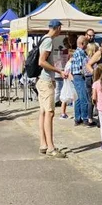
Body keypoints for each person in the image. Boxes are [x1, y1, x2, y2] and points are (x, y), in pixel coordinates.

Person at [36, 19, 67, 157]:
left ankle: (43, 144)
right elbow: (42, 61)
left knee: (43, 112)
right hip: (46, 80)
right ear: (58, 28)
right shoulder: (48, 41)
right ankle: (50, 147)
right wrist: (58, 71)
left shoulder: (43, 38)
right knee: (50, 113)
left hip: (41, 80)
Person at [69, 35, 90, 126]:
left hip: (75, 76)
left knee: (77, 98)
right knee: (83, 98)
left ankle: (77, 118)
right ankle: (85, 118)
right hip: (80, 76)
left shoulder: (76, 52)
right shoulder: (81, 53)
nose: (87, 45)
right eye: (86, 43)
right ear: (82, 43)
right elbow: (83, 67)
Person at [84, 42, 98, 126]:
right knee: (97, 98)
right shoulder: (95, 59)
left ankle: (89, 118)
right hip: (93, 78)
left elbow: (83, 70)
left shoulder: (85, 59)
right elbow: (96, 70)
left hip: (86, 78)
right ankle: (99, 117)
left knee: (90, 99)